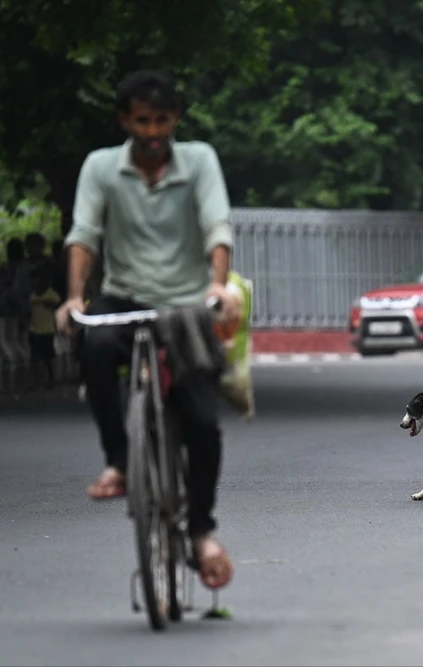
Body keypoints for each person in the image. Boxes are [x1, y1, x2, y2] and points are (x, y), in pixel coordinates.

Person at [55, 69, 240, 590]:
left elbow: (216, 227)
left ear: (176, 119)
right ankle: (118, 460)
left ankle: (202, 531)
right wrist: (73, 298)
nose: (153, 131)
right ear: (125, 121)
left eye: (162, 120)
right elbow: (84, 235)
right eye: (143, 121)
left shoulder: (199, 160)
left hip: (186, 304)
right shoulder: (100, 167)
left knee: (203, 423)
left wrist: (218, 287)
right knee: (94, 345)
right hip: (123, 299)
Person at [28, 266, 61, 388]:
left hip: (47, 329)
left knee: (48, 356)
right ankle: (36, 380)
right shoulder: (32, 295)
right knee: (35, 356)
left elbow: (57, 304)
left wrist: (47, 304)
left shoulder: (50, 293)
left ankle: (51, 379)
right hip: (34, 328)